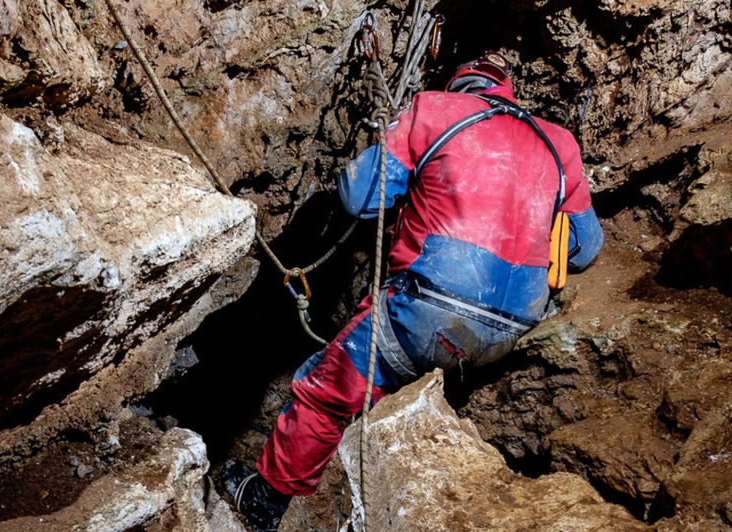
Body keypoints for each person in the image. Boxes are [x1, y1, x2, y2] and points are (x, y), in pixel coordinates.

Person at [221, 51, 604, 532]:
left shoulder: (433, 110)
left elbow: (358, 198)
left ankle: (264, 500)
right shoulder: (559, 142)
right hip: (514, 329)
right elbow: (586, 248)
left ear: (458, 83)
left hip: (428, 309)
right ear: (507, 87)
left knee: (327, 390)